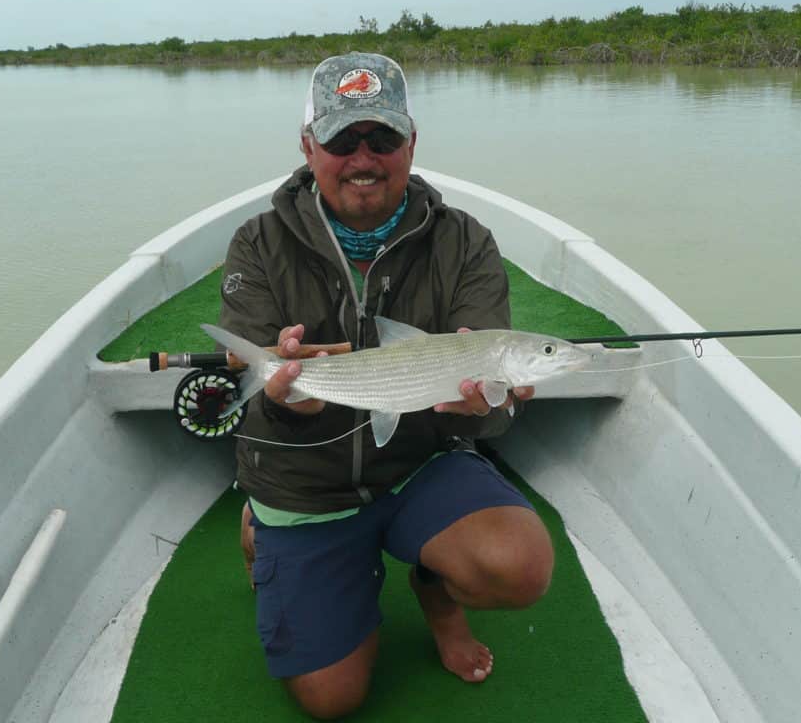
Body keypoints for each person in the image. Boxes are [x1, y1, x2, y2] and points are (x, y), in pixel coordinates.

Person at [218, 52, 553, 719]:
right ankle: (264, 522)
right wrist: (285, 396)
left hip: (418, 463)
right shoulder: (258, 243)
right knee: (330, 699)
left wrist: (486, 406)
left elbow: (482, 420)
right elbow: (261, 398)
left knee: (519, 565)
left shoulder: (466, 242)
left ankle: (434, 585)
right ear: (309, 146)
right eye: (343, 140)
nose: (363, 157)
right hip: (304, 481)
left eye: (382, 138)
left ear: (411, 142)